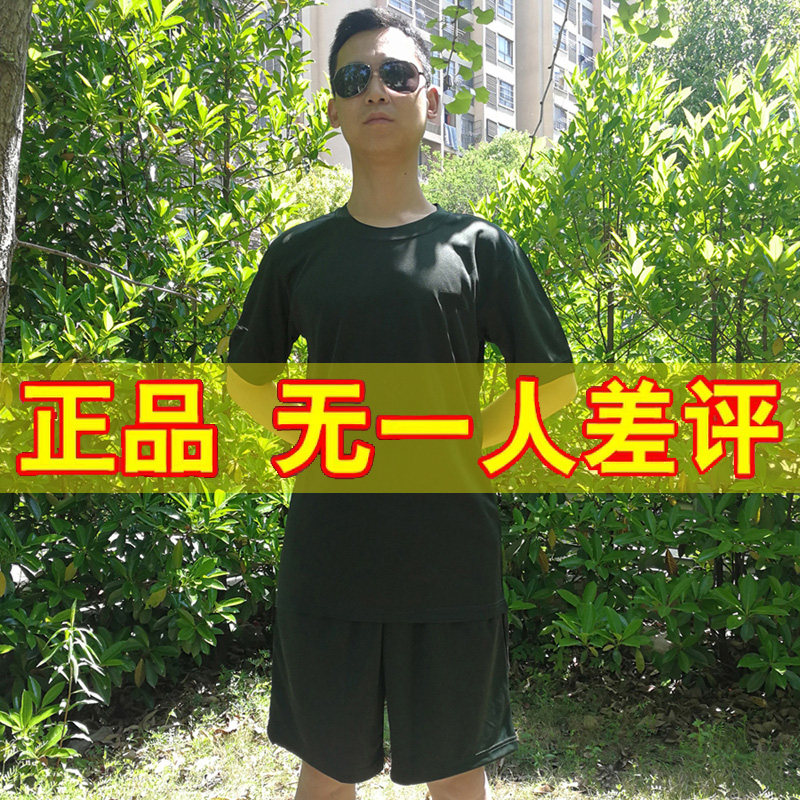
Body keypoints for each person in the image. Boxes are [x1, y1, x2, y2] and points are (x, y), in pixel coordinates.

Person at [226, 8, 577, 800]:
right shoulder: (299, 254)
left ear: (431, 99)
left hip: (449, 557)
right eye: (354, 78)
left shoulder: (478, 249)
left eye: (397, 74)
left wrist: (468, 445)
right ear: (334, 109)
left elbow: (551, 380)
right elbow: (246, 378)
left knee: (455, 771)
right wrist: (317, 435)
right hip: (330, 555)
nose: (375, 91)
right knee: (325, 770)